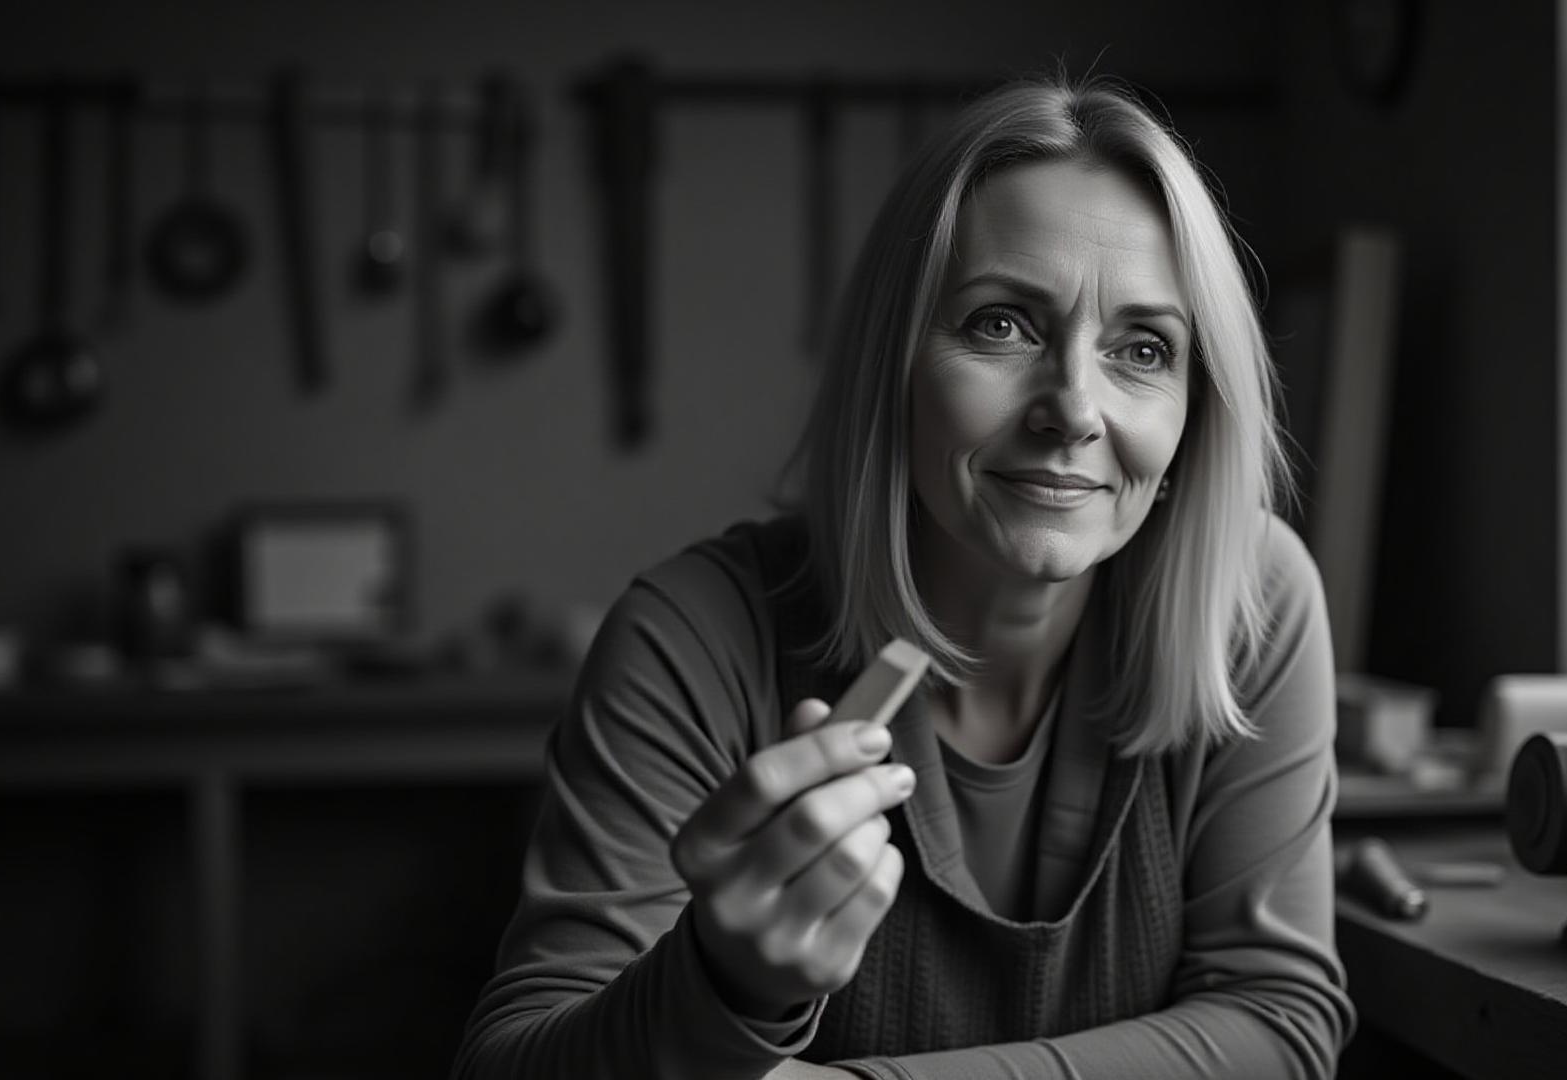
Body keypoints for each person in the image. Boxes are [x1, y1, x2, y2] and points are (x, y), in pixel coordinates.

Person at [452, 73, 1356, 1079]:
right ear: (894, 366)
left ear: (1197, 408)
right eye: (1002, 325)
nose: (1074, 409)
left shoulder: (1252, 600)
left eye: (1143, 349)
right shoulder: (692, 636)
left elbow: (1279, 1025)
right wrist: (718, 987)